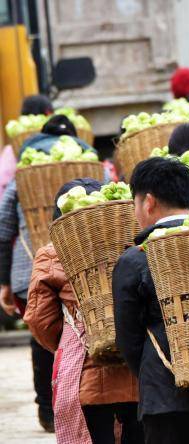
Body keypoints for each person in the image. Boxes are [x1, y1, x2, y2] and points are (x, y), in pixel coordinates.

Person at [112, 157, 189, 444]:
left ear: (148, 202)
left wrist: (153, 370)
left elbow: (128, 338)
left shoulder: (136, 259)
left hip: (165, 398)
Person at [0, 111, 98, 433]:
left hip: (31, 266)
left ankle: (47, 406)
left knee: (41, 331)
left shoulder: (20, 177)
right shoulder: (96, 171)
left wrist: (3, 280)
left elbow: (3, 228)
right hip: (89, 266)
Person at [24, 178, 142, 444]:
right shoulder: (134, 247)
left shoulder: (52, 254)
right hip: (137, 372)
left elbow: (39, 319)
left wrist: (67, 340)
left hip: (84, 376)